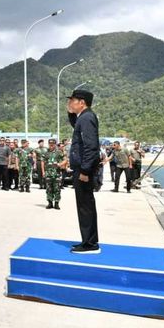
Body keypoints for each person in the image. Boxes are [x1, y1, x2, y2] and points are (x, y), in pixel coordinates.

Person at [67, 89, 101, 254]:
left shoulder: (87, 118)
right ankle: (88, 240)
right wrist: (70, 114)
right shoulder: (83, 117)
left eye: (72, 100)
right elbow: (76, 126)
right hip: (81, 168)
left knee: (85, 206)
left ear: (82, 102)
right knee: (84, 205)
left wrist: (85, 171)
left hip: (83, 170)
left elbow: (91, 147)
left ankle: (90, 244)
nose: (70, 103)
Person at [42, 139, 67, 209]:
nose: (51, 145)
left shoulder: (59, 152)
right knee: (48, 189)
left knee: (57, 189)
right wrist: (43, 172)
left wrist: (59, 164)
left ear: (55, 144)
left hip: (57, 174)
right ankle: (50, 203)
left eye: (53, 144)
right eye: (50, 144)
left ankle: (56, 203)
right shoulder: (46, 152)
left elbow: (65, 160)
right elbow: (43, 162)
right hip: (48, 173)